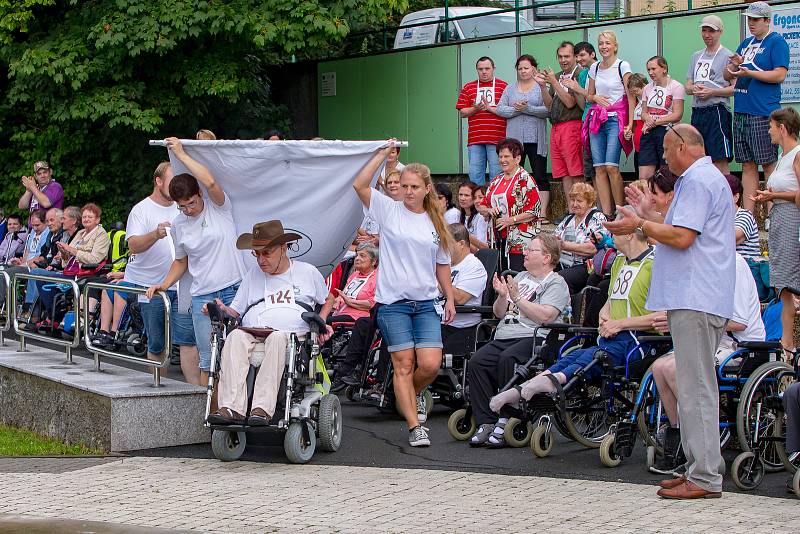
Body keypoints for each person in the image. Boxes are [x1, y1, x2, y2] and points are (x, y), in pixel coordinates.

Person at [605, 123, 734, 499]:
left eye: (665, 150)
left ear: (682, 147)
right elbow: (678, 229)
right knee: (694, 386)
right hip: (696, 295)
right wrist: (646, 216)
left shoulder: (696, 180)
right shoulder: (706, 178)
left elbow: (682, 237)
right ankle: (699, 468)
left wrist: (641, 223)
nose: (662, 157)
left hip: (696, 296)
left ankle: (705, 476)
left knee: (695, 388)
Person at [489, 217, 659, 414]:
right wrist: (605, 316)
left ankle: (551, 382)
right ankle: (524, 387)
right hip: (615, 335)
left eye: (614, 231)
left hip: (640, 339)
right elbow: (611, 300)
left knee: (593, 358)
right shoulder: (619, 261)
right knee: (575, 355)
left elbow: (663, 315)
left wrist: (620, 324)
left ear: (629, 234)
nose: (608, 236)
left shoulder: (654, 264)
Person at [353, 144, 455, 447]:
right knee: (403, 363)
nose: (408, 191)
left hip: (425, 303)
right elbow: (359, 184)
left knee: (430, 365)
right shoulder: (388, 209)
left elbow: (442, 264)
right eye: (404, 186)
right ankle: (414, 426)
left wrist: (449, 297)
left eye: (414, 187)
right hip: (393, 303)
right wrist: (382, 155)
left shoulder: (436, 221)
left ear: (426, 189)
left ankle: (406, 393)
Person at [207, 220, 334, 425]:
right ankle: (231, 408)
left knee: (277, 338)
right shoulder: (252, 276)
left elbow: (328, 300)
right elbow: (235, 311)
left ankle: (261, 409)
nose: (260, 260)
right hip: (252, 332)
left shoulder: (307, 272)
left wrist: (322, 322)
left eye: (266, 253)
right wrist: (222, 309)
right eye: (256, 254)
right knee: (235, 336)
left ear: (283, 248)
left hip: (290, 337)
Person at [650, 252, 765, 475]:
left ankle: (698, 444)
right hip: (710, 339)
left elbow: (739, 321)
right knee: (659, 367)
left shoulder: (736, 264)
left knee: (677, 369)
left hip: (740, 346)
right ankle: (678, 433)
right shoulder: (703, 264)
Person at [145, 137, 246, 384]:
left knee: (237, 353)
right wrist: (164, 284)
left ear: (199, 194)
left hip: (234, 289)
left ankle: (234, 407)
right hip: (202, 295)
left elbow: (210, 180)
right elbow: (181, 262)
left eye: (191, 203)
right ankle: (206, 411)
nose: (188, 210)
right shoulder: (180, 224)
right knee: (206, 359)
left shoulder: (218, 207)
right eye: (182, 207)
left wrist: (180, 154)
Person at [466, 234, 569, 447]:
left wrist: (518, 298)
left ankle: (507, 417)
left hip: (534, 336)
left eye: (531, 250)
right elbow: (498, 313)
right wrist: (503, 296)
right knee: (477, 361)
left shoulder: (556, 283)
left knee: (508, 358)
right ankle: (487, 420)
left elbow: (545, 316)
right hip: (505, 334)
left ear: (547, 257)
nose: (525, 253)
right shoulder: (520, 277)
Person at [117, 161, 201, 384]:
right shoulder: (141, 210)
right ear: (158, 181)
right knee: (157, 342)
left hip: (181, 284)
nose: (176, 187)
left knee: (188, 340)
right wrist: (155, 234)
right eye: (171, 181)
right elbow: (133, 245)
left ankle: (196, 393)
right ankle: (157, 389)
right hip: (150, 286)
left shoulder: (181, 206)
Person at [725, 2, 790, 212]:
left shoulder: (777, 42)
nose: (750, 23)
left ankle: (772, 214)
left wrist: (749, 72)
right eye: (749, 19)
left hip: (763, 111)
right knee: (747, 164)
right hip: (742, 109)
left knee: (768, 164)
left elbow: (780, 75)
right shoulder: (746, 42)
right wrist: (735, 64)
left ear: (767, 21)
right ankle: (748, 216)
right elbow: (727, 76)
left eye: (755, 19)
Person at [750, 108, 800, 356]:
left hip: (792, 220)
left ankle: (790, 343)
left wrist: (775, 195)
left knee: (792, 281)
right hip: (780, 218)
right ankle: (787, 344)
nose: (768, 131)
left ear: (782, 127)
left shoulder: (797, 155)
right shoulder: (784, 156)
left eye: (771, 126)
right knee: (784, 286)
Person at [584, 30, 634, 216]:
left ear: (615, 46)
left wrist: (630, 124)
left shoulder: (622, 65)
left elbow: (630, 96)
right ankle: (607, 214)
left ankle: (621, 211)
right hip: (597, 118)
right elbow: (589, 95)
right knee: (599, 168)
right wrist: (595, 97)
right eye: (601, 43)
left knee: (612, 166)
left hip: (615, 118)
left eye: (607, 43)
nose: (604, 46)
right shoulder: (594, 68)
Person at [496, 54, 550, 221]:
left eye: (526, 68)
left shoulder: (542, 86)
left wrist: (528, 109)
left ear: (533, 68)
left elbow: (548, 110)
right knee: (515, 175)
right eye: (520, 68)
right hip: (515, 141)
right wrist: (517, 110)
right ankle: (517, 212)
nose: (523, 71)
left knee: (539, 175)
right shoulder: (510, 88)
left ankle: (542, 213)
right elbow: (500, 109)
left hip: (536, 138)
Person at [37, 203, 112, 322]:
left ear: (97, 220)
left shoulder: (101, 234)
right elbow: (66, 263)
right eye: (84, 217)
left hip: (85, 273)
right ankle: (54, 315)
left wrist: (72, 250)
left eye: (90, 217)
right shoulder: (80, 233)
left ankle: (55, 318)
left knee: (40, 275)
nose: (86, 219)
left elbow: (95, 259)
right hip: (70, 271)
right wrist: (63, 253)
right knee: (38, 275)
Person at [477, 138, 542, 272]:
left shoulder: (525, 179)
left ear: (517, 159)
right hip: (498, 239)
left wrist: (510, 220)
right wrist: (489, 210)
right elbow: (481, 206)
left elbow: (534, 211)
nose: (502, 160)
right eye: (500, 156)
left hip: (519, 240)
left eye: (506, 156)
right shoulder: (496, 180)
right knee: (500, 277)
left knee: (514, 276)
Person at [685, 15, 735, 174]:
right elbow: (687, 85)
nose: (707, 35)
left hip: (717, 110)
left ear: (720, 32)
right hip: (698, 111)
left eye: (711, 31)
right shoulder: (696, 56)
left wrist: (712, 92)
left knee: (719, 158)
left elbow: (734, 88)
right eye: (704, 30)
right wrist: (694, 89)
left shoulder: (728, 56)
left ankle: (728, 196)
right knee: (698, 158)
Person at [329, 243, 379, 392]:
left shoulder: (377, 277)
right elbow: (342, 295)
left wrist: (350, 302)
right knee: (319, 319)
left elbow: (372, 304)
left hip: (359, 316)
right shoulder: (354, 275)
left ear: (374, 261)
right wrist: (337, 301)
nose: (357, 258)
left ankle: (343, 372)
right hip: (342, 313)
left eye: (362, 256)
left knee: (324, 322)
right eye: (357, 255)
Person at [543, 42, 586, 206]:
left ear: (575, 56)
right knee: (564, 172)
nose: (563, 60)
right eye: (560, 57)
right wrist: (542, 86)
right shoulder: (560, 75)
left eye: (567, 56)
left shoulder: (580, 74)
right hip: (556, 127)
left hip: (572, 125)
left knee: (575, 171)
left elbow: (570, 103)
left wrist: (553, 82)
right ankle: (570, 209)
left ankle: (581, 208)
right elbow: (549, 104)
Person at [456, 57, 508, 186]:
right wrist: (475, 108)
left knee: (497, 176)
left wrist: (490, 109)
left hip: (497, 138)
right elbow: (462, 112)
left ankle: (494, 204)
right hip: (475, 139)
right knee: (475, 176)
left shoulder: (504, 86)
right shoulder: (468, 87)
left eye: (487, 68)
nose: (484, 72)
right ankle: (475, 205)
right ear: (476, 70)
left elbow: (509, 111)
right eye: (480, 69)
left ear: (493, 69)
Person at [440, 223, 488, 354]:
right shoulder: (445, 264)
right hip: (435, 320)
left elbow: (460, 298)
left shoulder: (473, 266)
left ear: (461, 244)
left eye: (446, 243)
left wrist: (437, 277)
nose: (442, 248)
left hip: (459, 327)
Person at [553, 182, 609, 294]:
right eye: (572, 200)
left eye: (579, 201)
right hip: (564, 263)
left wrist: (565, 245)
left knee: (560, 278)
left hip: (586, 267)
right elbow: (553, 239)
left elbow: (591, 248)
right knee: (542, 273)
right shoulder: (569, 219)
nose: (574, 204)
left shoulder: (597, 218)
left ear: (590, 202)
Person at [638, 56, 685, 180]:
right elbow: (643, 112)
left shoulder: (676, 86)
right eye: (648, 69)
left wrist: (656, 122)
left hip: (666, 130)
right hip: (648, 131)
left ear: (664, 68)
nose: (650, 73)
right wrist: (647, 119)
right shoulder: (647, 88)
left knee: (666, 172)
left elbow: (677, 114)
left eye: (653, 69)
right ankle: (647, 197)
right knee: (644, 175)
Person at [563, 41, 598, 182]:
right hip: (587, 120)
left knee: (602, 166)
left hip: (600, 119)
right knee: (590, 168)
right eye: (577, 56)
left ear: (593, 54)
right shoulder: (583, 74)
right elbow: (584, 104)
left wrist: (577, 88)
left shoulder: (601, 69)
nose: (579, 59)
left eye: (582, 55)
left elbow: (596, 97)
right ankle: (596, 204)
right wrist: (574, 88)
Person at [726, 174, 761, 261]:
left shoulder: (745, 215)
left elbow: (733, 236)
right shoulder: (717, 217)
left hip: (747, 268)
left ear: (736, 197)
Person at [625, 73, 649, 173]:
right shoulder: (636, 104)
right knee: (638, 176)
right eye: (632, 92)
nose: (635, 94)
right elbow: (635, 127)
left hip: (648, 146)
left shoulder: (651, 101)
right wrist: (629, 133)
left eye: (636, 91)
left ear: (644, 86)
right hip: (638, 148)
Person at [457, 181, 488, 250]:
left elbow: (482, 248)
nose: (462, 198)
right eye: (460, 194)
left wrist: (463, 235)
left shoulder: (481, 216)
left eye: (467, 195)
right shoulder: (459, 216)